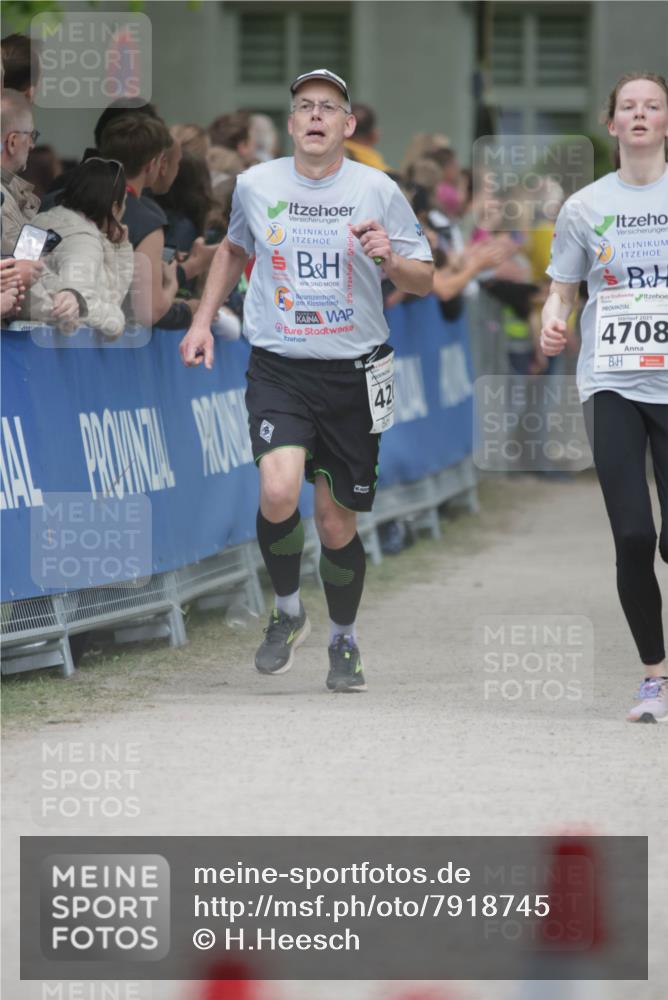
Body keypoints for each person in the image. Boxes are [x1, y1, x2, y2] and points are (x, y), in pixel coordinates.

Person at [180, 68, 433, 692]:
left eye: (328, 107)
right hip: (280, 366)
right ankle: (288, 609)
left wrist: (391, 259)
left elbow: (424, 277)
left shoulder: (378, 189)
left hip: (353, 372)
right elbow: (234, 252)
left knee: (335, 522)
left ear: (348, 125)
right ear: (291, 123)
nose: (315, 116)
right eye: (304, 107)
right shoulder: (255, 184)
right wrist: (203, 321)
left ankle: (343, 640)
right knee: (277, 489)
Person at [541, 72, 668, 723]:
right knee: (632, 536)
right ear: (612, 123)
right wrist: (551, 319)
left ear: (666, 122)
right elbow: (562, 287)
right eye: (629, 107)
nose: (640, 114)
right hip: (611, 380)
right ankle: (655, 677)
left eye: (652, 105)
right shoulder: (585, 207)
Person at [20, 158, 134, 337]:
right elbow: (79, 307)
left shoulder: (40, 221)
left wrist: (121, 249)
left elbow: (111, 294)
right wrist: (116, 319)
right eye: (124, 202)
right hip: (52, 351)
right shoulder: (84, 241)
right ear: (114, 207)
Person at [1, 88, 44, 290]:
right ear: (12, 142)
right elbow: (23, 285)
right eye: (31, 135)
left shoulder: (13, 196)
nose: (33, 145)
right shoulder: (3, 202)